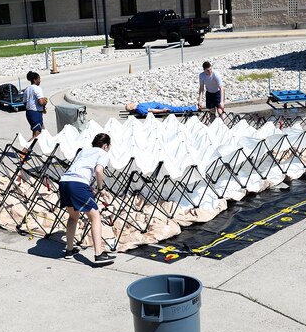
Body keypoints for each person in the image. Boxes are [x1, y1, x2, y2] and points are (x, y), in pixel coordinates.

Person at [61, 133, 115, 266]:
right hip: (78, 185)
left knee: (73, 216)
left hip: (64, 182)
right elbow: (98, 170)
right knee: (95, 217)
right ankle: (98, 254)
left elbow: (79, 170)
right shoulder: (103, 153)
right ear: (105, 146)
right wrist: (101, 189)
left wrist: (90, 188)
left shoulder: (83, 151)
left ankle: (69, 250)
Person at [23, 71, 48, 139]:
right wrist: (45, 102)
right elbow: (41, 102)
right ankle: (25, 149)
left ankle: (45, 148)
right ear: (35, 80)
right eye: (39, 79)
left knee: (43, 131)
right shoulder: (37, 88)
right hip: (35, 113)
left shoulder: (27, 89)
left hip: (29, 113)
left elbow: (24, 103)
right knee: (37, 135)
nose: (40, 81)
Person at [124, 102, 200, 116]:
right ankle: (194, 108)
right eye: (129, 104)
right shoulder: (139, 109)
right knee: (176, 109)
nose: (131, 103)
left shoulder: (138, 106)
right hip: (159, 107)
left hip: (158, 105)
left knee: (176, 108)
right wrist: (163, 111)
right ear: (131, 107)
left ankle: (193, 107)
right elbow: (151, 111)